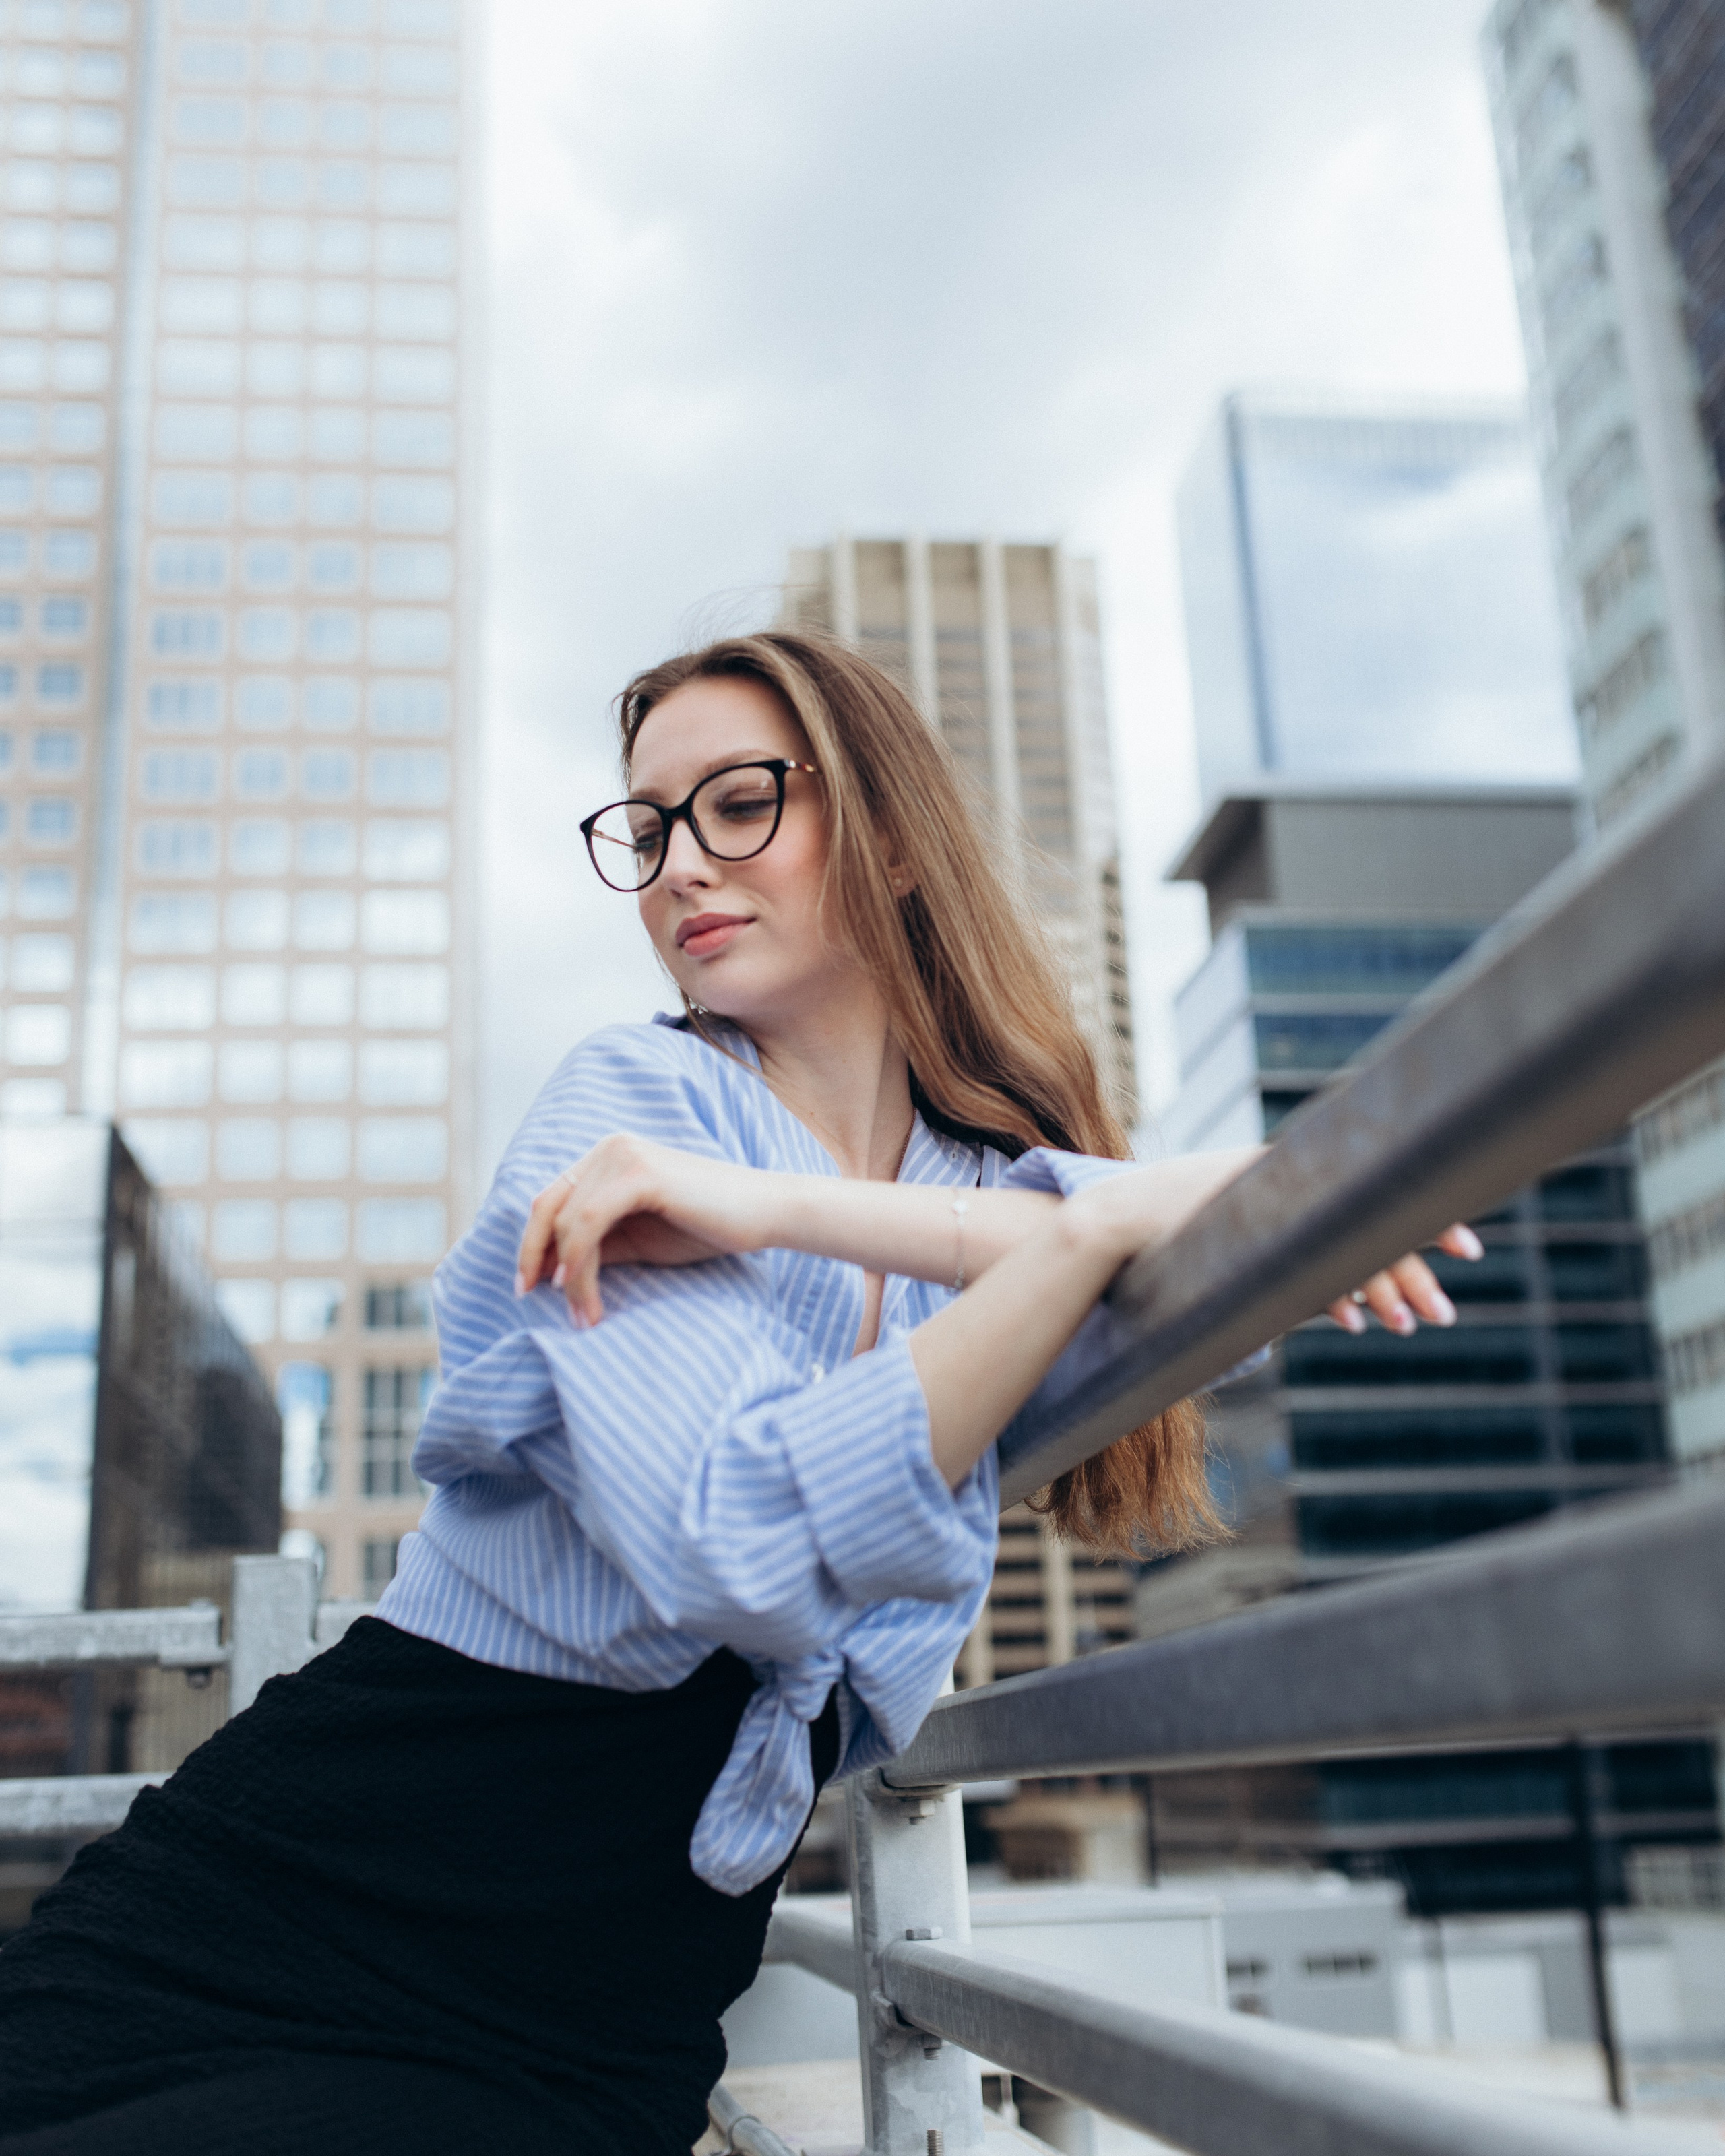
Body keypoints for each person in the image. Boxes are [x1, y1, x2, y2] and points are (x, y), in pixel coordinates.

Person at [0, 632, 1474, 2155]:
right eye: (648, 827)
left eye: (740, 803)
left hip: (614, 2010)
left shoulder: (964, 1181)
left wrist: (794, 1212)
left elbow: (1220, 1291)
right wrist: (1080, 1233)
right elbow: (733, 1538)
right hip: (305, 1904)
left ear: (891, 840)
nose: (680, 866)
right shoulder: (625, 1112)